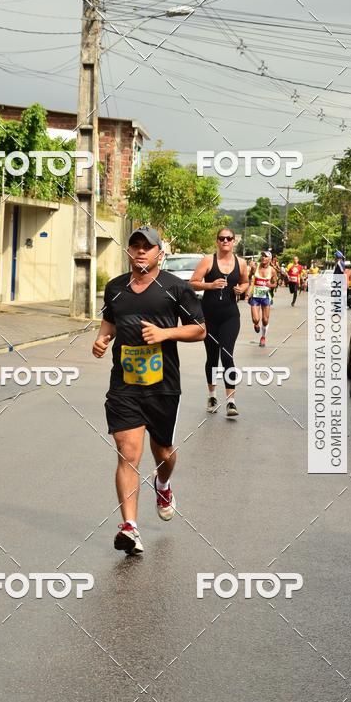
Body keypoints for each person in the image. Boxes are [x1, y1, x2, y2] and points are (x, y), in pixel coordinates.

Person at [92, 226, 206, 555]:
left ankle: (163, 483)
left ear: (160, 253)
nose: (141, 251)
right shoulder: (115, 288)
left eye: (148, 246)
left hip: (163, 386)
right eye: (135, 245)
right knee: (128, 454)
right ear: (129, 251)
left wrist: (165, 334)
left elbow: (200, 329)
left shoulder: (177, 287)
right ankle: (130, 527)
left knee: (163, 453)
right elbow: (110, 322)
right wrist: (102, 339)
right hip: (124, 385)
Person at [190, 227, 249, 417]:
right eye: (222, 238)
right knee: (212, 357)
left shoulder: (241, 263)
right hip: (209, 317)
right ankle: (212, 396)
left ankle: (231, 401)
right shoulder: (208, 261)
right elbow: (192, 282)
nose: (225, 241)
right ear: (217, 241)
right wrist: (210, 285)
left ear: (233, 241)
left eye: (229, 238)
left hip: (230, 316)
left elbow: (246, 281)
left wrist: (242, 289)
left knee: (227, 355)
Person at [246, 250, 277, 347]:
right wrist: (249, 290)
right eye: (262, 255)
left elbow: (275, 283)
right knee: (256, 319)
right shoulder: (255, 267)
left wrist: (270, 285)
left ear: (270, 259)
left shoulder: (272, 270)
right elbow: (249, 277)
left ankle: (263, 337)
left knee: (265, 320)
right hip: (255, 296)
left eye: (266, 256)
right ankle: (256, 324)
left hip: (266, 297)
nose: (263, 257)